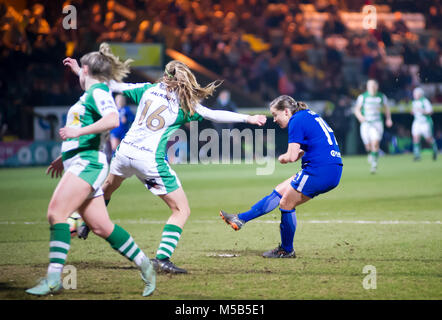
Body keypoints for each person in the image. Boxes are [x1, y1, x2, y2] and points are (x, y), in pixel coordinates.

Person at [67, 59, 267, 273]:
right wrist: (249, 118)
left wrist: (80, 71)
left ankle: (84, 220)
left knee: (107, 188)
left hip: (124, 153)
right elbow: (214, 114)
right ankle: (162, 258)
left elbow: (111, 85)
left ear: (165, 76)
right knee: (181, 209)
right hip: (149, 160)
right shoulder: (185, 103)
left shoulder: (147, 89)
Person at [26, 43, 155, 297]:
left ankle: (53, 279)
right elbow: (92, 100)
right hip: (80, 160)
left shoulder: (98, 92)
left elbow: (113, 120)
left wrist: (77, 131)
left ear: (87, 70)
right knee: (101, 227)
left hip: (89, 163)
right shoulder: (93, 91)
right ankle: (146, 265)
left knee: (56, 213)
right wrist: (64, 156)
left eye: (80, 71)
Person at [220, 95, 343, 258]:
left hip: (320, 170)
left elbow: (290, 157)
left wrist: (281, 158)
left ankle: (286, 250)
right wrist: (301, 153)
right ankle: (240, 219)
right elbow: (316, 141)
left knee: (286, 204)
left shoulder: (296, 121)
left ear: (286, 111)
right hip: (328, 167)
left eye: (275, 114)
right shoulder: (307, 114)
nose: (275, 120)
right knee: (279, 191)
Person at [354, 79, 393, 174]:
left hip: (376, 123)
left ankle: (374, 164)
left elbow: (386, 108)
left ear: (377, 86)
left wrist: (388, 119)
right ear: (367, 87)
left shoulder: (381, 96)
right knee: (368, 146)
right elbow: (357, 110)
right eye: (370, 85)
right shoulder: (362, 97)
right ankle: (371, 154)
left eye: (374, 85)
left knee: (375, 143)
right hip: (366, 124)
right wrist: (360, 117)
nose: (372, 87)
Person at [411, 87, 438, 161]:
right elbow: (414, 111)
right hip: (417, 122)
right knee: (415, 138)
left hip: (425, 122)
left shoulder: (425, 101)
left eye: (415, 93)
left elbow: (430, 111)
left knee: (428, 139)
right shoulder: (414, 102)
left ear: (420, 94)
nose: (414, 95)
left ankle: (435, 150)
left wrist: (422, 111)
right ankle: (417, 155)